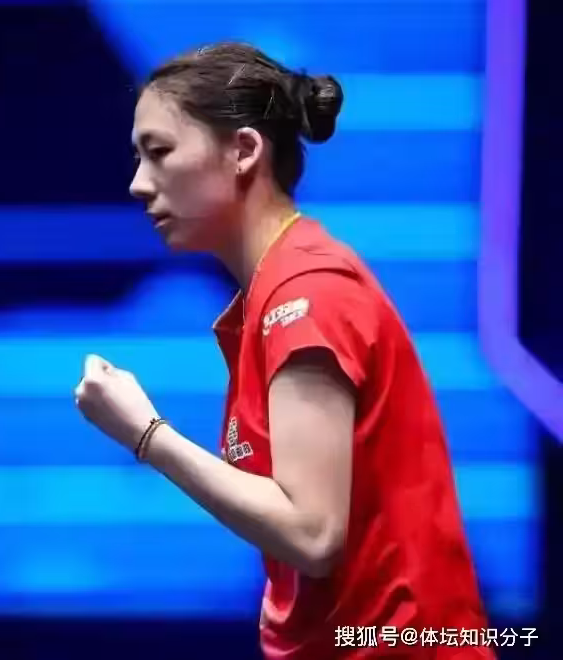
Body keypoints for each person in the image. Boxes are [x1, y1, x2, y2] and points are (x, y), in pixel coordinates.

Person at [73, 43, 493, 659]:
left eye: (159, 152)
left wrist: (146, 435)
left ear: (244, 150)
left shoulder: (308, 293)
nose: (138, 184)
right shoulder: (274, 294)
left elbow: (311, 533)